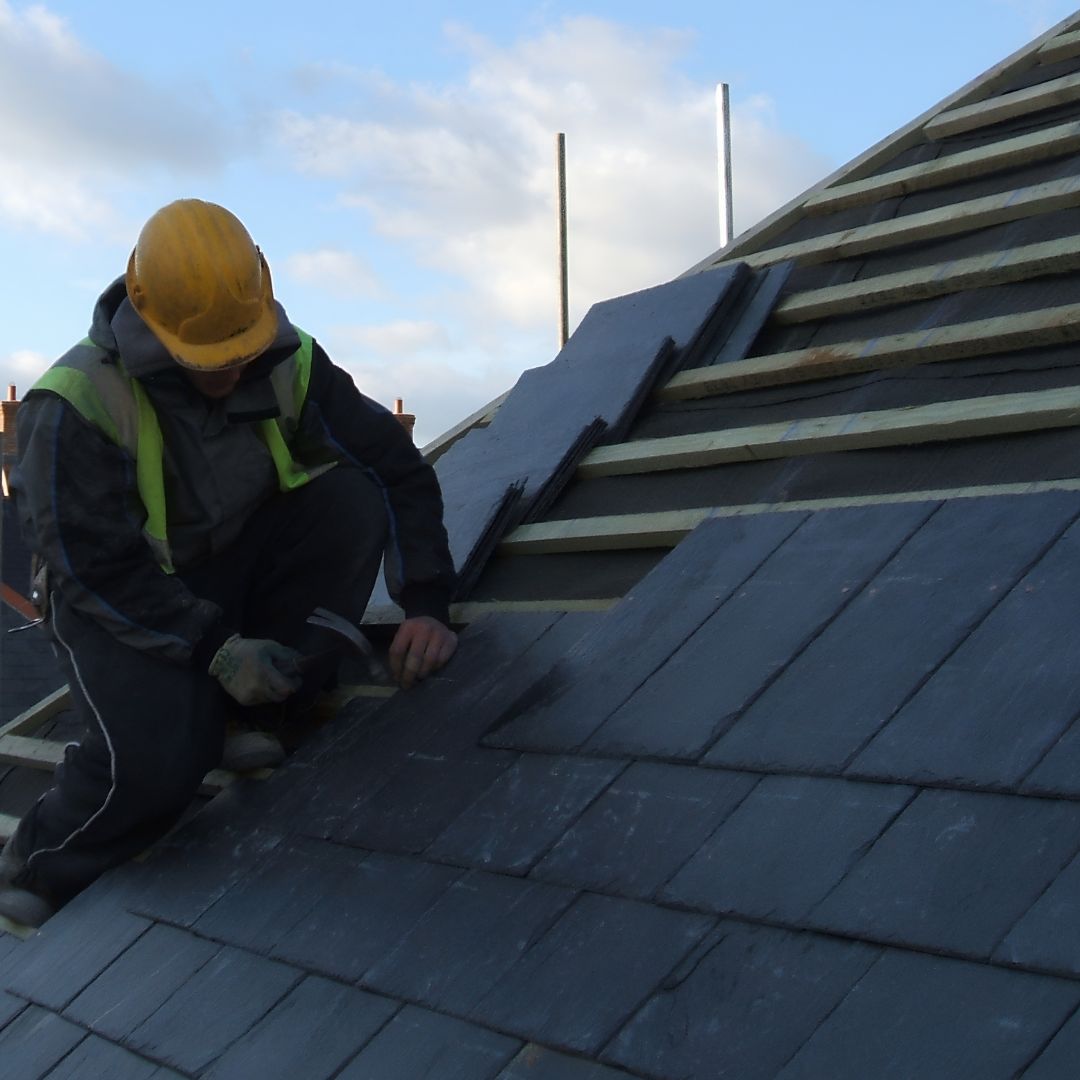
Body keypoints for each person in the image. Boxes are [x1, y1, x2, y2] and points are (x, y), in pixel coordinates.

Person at [0, 199, 458, 927]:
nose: (229, 373)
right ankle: (42, 860)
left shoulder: (292, 360)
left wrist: (428, 601)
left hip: (230, 567)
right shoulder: (77, 402)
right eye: (206, 361)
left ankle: (265, 707)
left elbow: (393, 468)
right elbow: (93, 567)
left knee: (348, 497)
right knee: (156, 770)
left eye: (240, 353)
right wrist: (216, 649)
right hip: (119, 603)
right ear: (150, 321)